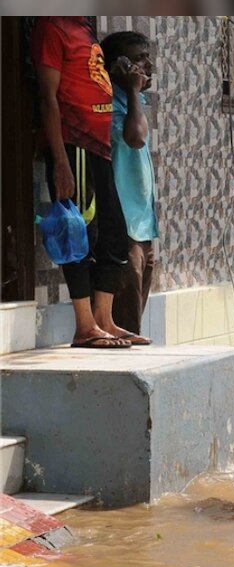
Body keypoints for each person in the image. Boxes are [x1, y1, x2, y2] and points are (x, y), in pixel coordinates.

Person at [31, 17, 142, 348]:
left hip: (99, 148)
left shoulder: (85, 29)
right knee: (80, 234)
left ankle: (104, 319)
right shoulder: (53, 27)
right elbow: (48, 97)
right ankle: (84, 326)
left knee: (113, 235)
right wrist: (60, 160)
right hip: (74, 144)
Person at [99, 31, 158, 339]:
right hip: (122, 214)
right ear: (118, 65)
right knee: (128, 284)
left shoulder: (136, 100)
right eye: (137, 58)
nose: (147, 64)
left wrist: (136, 92)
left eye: (146, 56)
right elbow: (134, 138)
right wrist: (133, 90)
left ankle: (130, 343)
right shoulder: (110, 103)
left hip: (142, 218)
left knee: (140, 282)